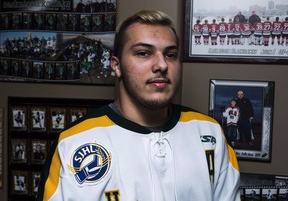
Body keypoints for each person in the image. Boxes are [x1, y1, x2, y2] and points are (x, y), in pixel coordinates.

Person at [37, 10, 240, 201]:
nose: (161, 65)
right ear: (116, 65)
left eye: (170, 54)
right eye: (144, 53)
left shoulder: (210, 134)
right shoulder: (73, 142)